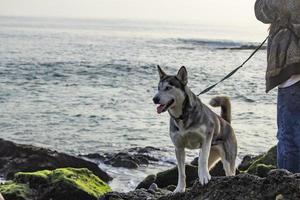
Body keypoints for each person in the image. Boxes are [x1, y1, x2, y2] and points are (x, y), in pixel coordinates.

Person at [255, 0, 300, 173]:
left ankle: (288, 188)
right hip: (291, 69)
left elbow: (262, 11)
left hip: (292, 70)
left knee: (289, 137)